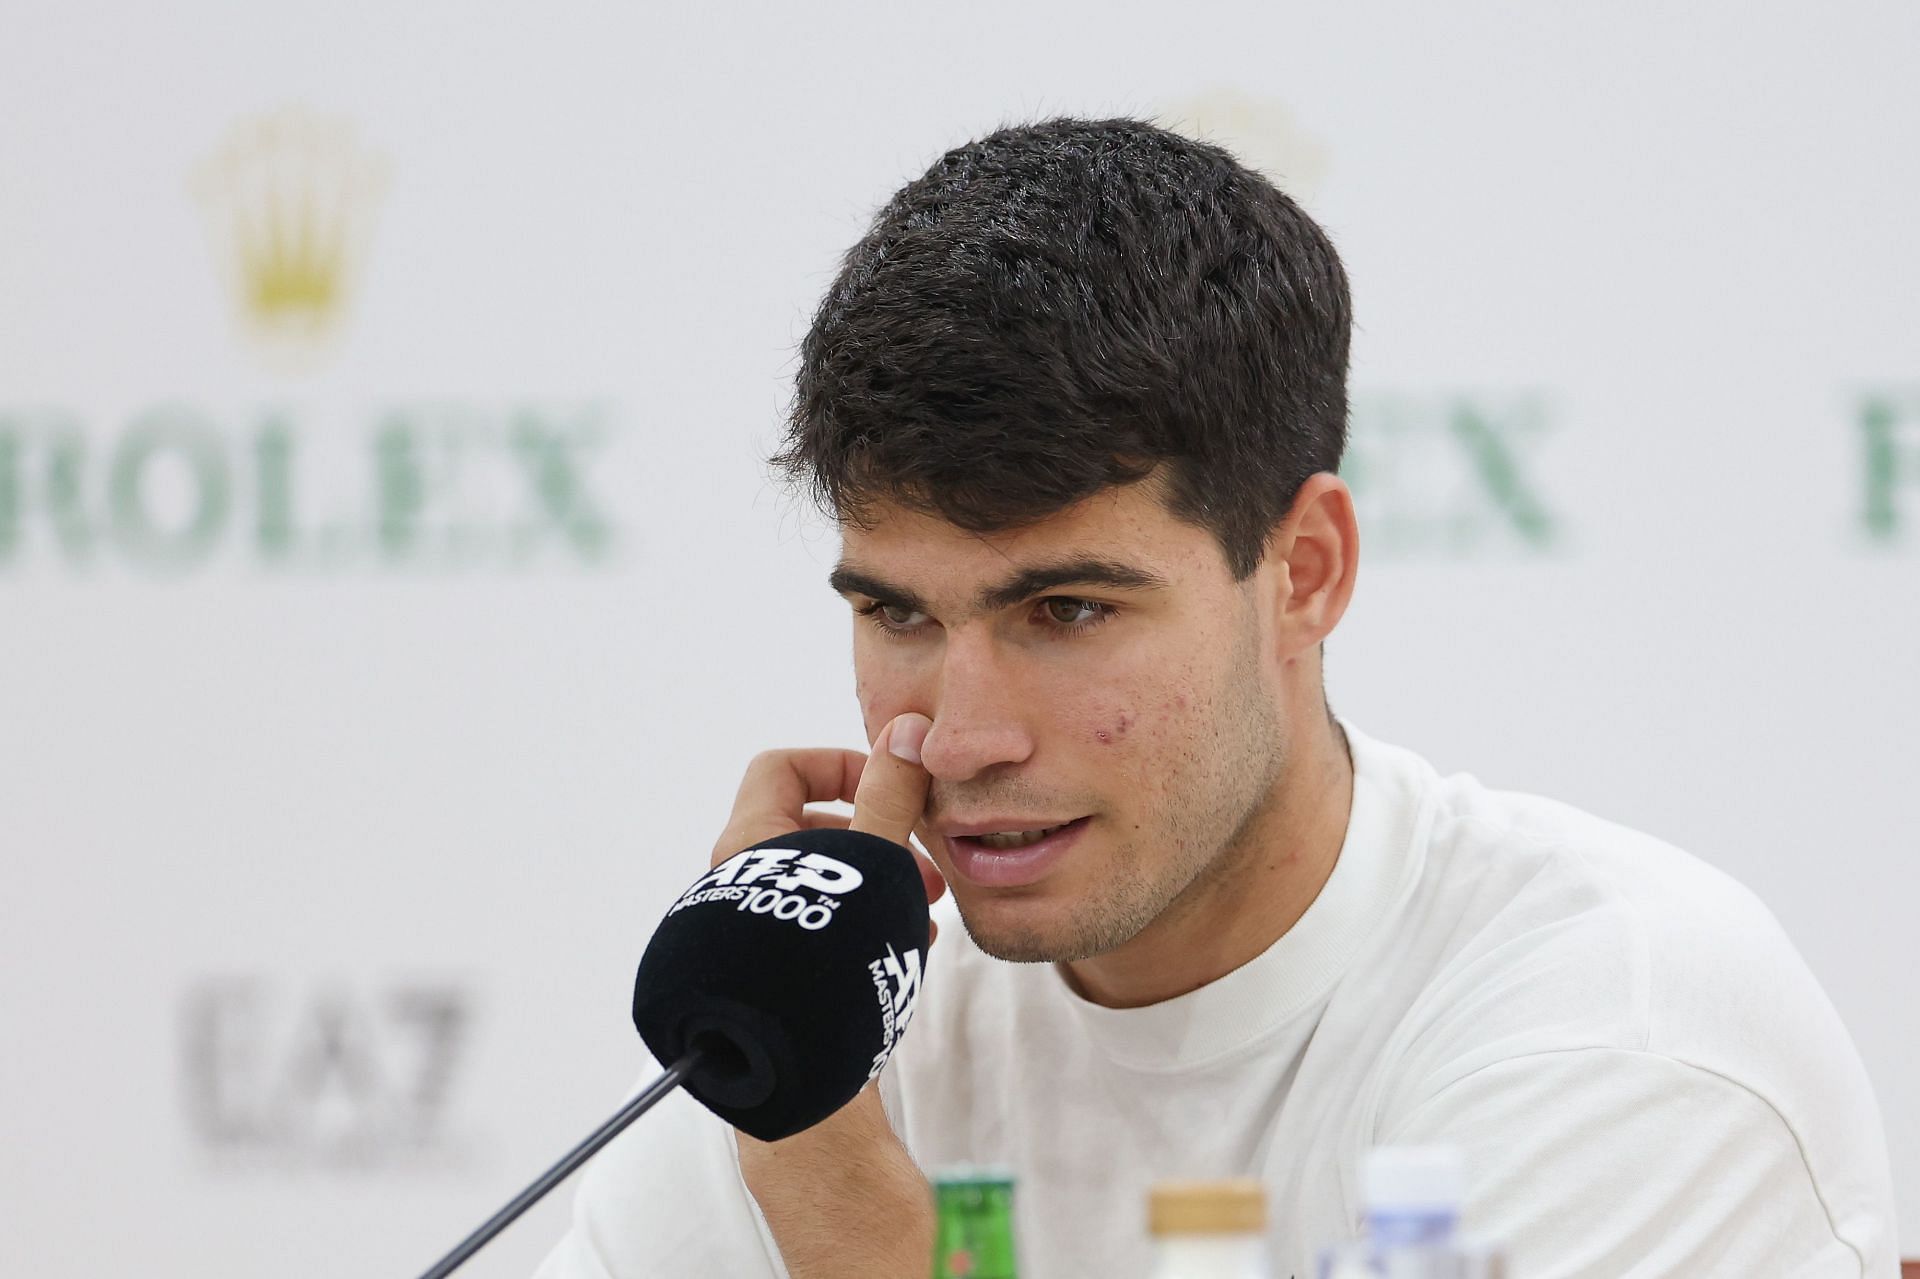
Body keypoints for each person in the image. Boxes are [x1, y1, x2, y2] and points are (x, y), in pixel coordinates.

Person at [536, 118, 1897, 1277]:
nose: (960, 738)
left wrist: (855, 1220)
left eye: (1064, 612)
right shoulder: (826, 1027)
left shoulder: (1622, 1039)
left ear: (1302, 571)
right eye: (897, 612)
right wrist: (794, 1081)